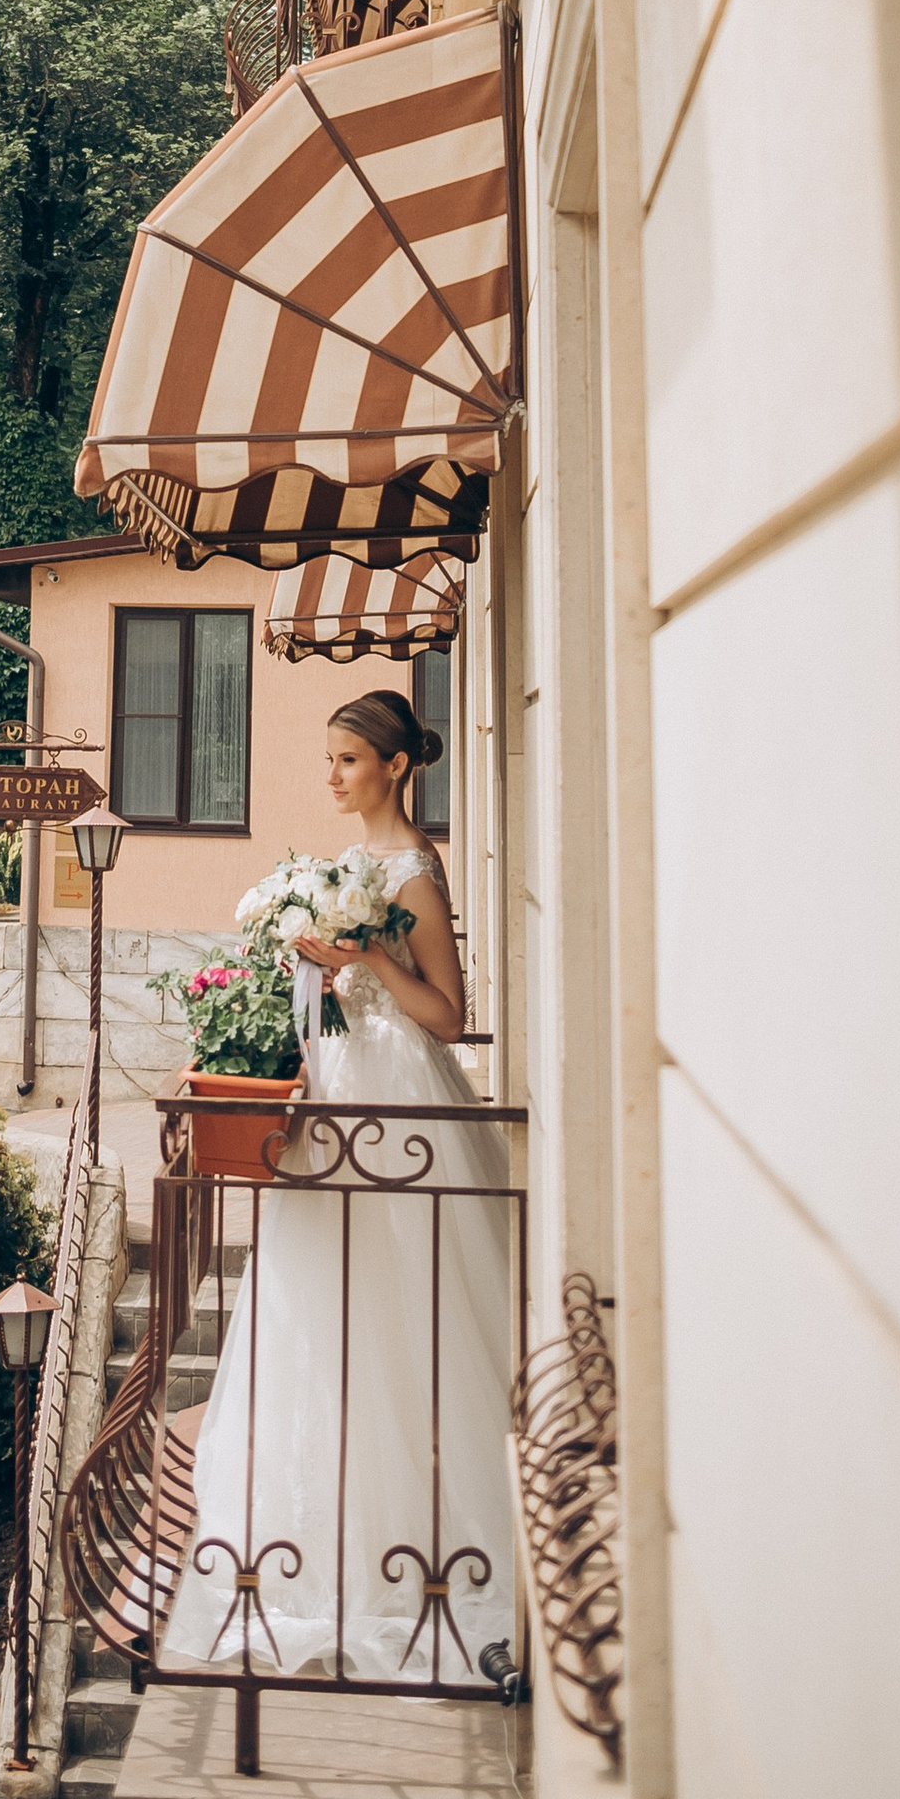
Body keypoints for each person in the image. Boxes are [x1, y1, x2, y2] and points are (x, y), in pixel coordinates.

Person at [160, 686, 520, 1689]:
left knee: (412, 1323)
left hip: (398, 1103)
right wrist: (310, 965)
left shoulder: (410, 869)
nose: (332, 775)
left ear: (397, 766)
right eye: (327, 759)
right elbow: (337, 994)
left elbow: (446, 1013)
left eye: (349, 760)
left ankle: (430, 1562)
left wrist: (362, 956)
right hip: (332, 1092)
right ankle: (319, 1544)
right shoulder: (344, 868)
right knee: (320, 1316)